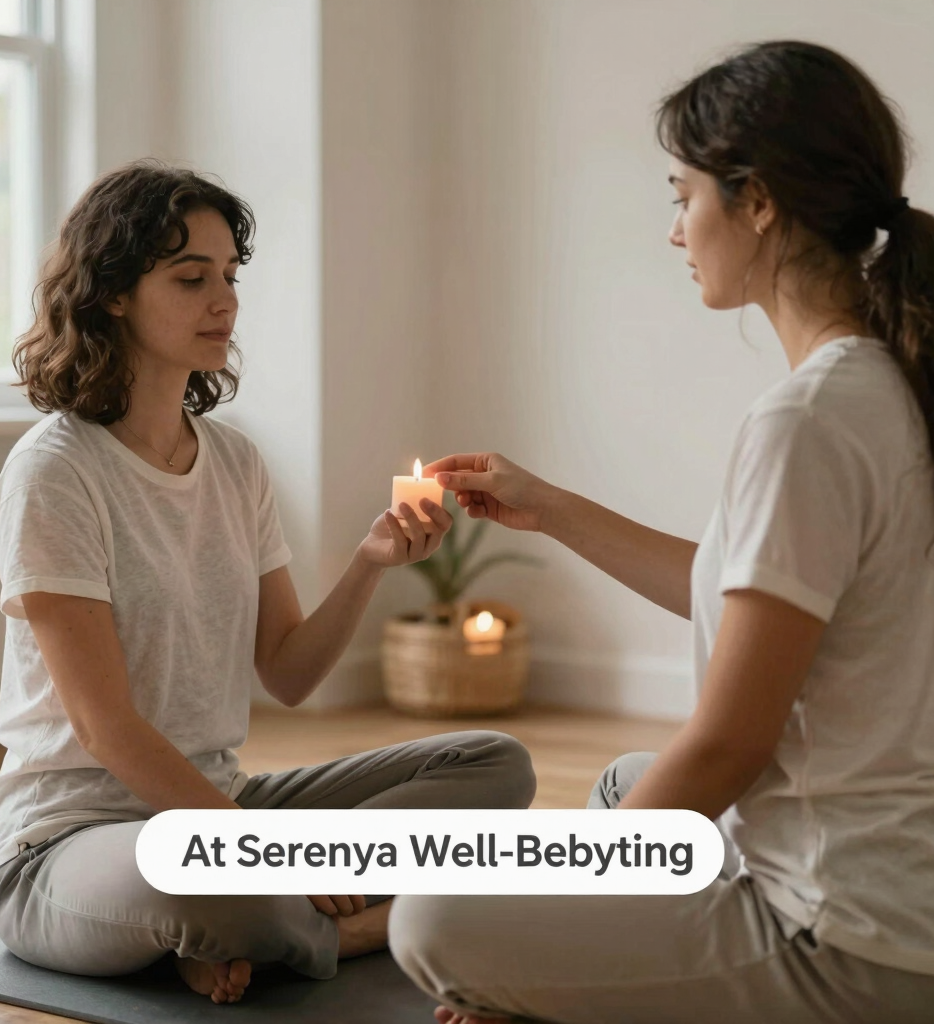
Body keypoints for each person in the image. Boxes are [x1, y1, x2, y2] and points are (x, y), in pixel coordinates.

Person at [389, 40, 934, 1024]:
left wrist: (561, 894)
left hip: (847, 942)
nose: (676, 230)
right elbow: (759, 600)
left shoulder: (808, 418)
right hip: (895, 882)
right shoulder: (887, 384)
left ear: (756, 201)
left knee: (431, 920)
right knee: (622, 781)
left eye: (682, 195)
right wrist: (547, 506)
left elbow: (728, 742)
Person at [0, 160, 536, 1005]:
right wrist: (278, 857)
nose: (225, 301)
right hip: (69, 843)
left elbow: (288, 672)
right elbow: (106, 731)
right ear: (115, 294)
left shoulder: (235, 462)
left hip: (219, 806)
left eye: (230, 276)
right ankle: (368, 923)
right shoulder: (55, 473)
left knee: (492, 764)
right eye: (190, 277)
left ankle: (260, 927)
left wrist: (368, 563)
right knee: (207, 887)